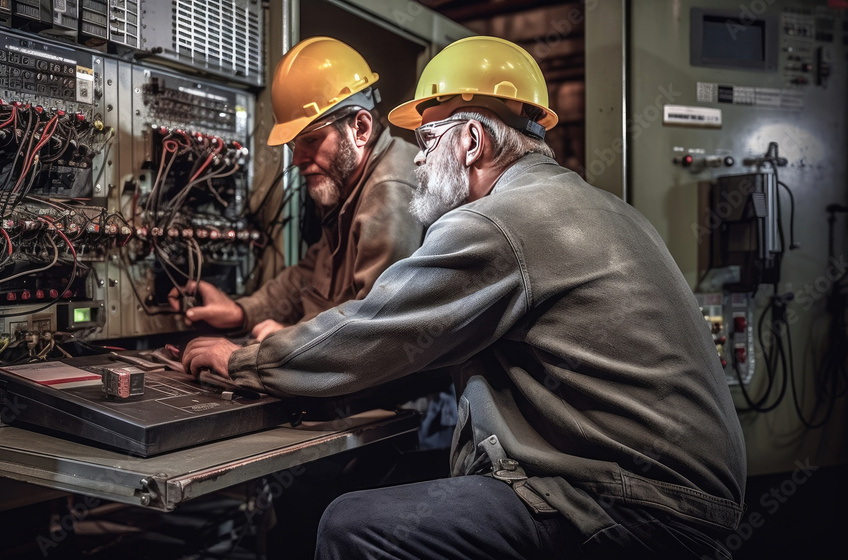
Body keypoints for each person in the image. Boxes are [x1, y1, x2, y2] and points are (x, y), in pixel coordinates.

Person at [182, 35, 747, 560]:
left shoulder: (497, 221)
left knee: (349, 523)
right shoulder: (598, 206)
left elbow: (375, 329)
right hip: (669, 497)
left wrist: (242, 360)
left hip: (633, 508)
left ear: (472, 141)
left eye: (428, 141)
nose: (418, 158)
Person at [170, 36, 424, 343]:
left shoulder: (389, 193)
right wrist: (242, 312)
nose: (297, 159)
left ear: (361, 128)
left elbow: (371, 334)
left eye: (311, 140)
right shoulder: (350, 184)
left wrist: (287, 345)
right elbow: (311, 276)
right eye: (294, 143)